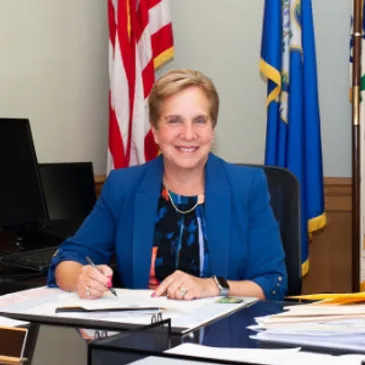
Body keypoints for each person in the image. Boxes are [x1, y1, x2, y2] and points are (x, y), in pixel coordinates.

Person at [47, 69, 287, 301]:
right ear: (154, 130)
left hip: (223, 335)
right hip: (144, 334)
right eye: (174, 121)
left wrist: (212, 287)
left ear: (212, 129)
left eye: (200, 121)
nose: (188, 134)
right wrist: (82, 277)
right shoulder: (123, 186)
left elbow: (273, 283)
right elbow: (69, 258)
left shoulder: (247, 187)